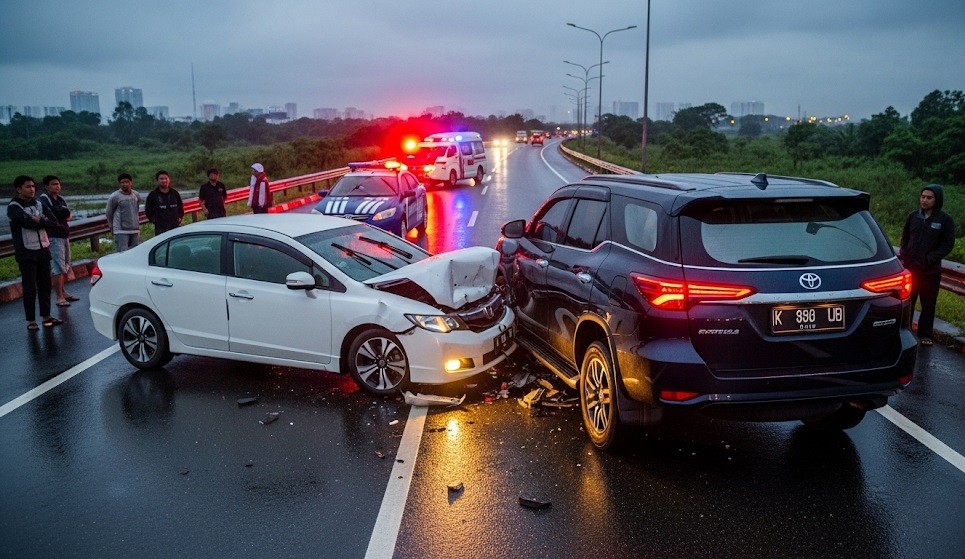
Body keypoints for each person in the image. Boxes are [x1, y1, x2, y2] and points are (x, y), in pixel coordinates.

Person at [899, 184, 955, 346]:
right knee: (908, 302)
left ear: (937, 200)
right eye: (923, 196)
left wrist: (929, 259)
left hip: (930, 271)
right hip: (911, 268)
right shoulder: (913, 216)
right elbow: (905, 236)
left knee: (928, 304)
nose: (924, 200)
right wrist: (905, 253)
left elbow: (947, 244)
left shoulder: (945, 220)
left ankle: (925, 334)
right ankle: (906, 331)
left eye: (929, 198)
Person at [7, 175, 63, 330]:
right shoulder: (14, 207)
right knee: (30, 287)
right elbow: (26, 223)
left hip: (43, 249)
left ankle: (46, 316)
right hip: (26, 252)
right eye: (27, 187)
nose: (32, 189)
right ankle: (31, 320)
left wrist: (39, 220)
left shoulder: (38, 203)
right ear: (19, 189)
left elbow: (54, 223)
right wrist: (40, 221)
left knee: (45, 285)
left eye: (33, 186)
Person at [39, 175, 80, 307]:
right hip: (53, 237)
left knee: (65, 264)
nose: (57, 186)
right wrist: (62, 213)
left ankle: (64, 292)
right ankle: (59, 297)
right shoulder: (44, 200)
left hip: (64, 235)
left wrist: (61, 212)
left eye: (58, 184)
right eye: (53, 184)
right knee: (57, 266)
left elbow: (68, 215)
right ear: (46, 186)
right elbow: (52, 215)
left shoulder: (61, 199)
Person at [106, 173, 142, 251]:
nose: (125, 184)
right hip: (121, 230)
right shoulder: (114, 196)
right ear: (119, 184)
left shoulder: (136, 195)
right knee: (122, 254)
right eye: (122, 182)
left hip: (134, 229)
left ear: (131, 183)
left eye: (127, 182)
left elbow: (136, 209)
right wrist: (111, 227)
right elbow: (109, 212)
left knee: (135, 252)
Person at [144, 170, 184, 234]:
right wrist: (154, 220)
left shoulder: (174, 193)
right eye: (161, 179)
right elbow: (148, 210)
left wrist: (180, 217)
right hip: (161, 228)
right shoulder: (153, 195)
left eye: (166, 178)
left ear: (169, 180)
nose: (164, 180)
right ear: (157, 181)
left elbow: (180, 206)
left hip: (175, 226)